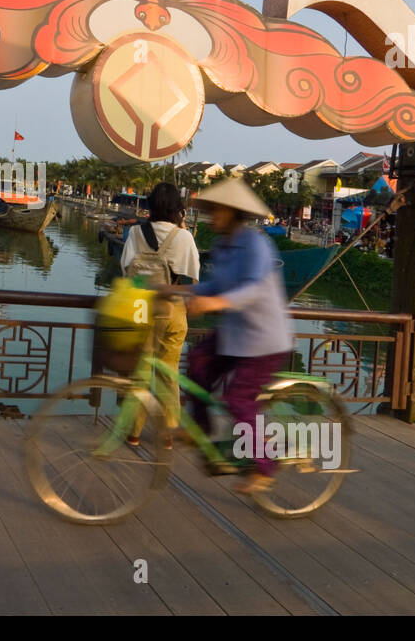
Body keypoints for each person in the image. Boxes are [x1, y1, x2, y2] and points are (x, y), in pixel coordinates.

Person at [183, 178, 295, 495]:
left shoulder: (255, 244)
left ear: (232, 212)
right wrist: (178, 290)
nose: (210, 217)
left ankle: (265, 466)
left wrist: (214, 303)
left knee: (238, 400)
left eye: (215, 210)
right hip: (234, 335)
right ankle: (201, 429)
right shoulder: (222, 245)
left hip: (263, 341)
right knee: (198, 361)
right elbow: (215, 286)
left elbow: (254, 288)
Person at [119, 182, 200, 445]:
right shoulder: (184, 237)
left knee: (140, 372)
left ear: (151, 205)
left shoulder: (135, 233)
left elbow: (125, 270)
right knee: (169, 373)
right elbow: (194, 276)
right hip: (172, 310)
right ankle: (167, 434)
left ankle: (134, 432)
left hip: (141, 309)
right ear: (179, 209)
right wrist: (183, 227)